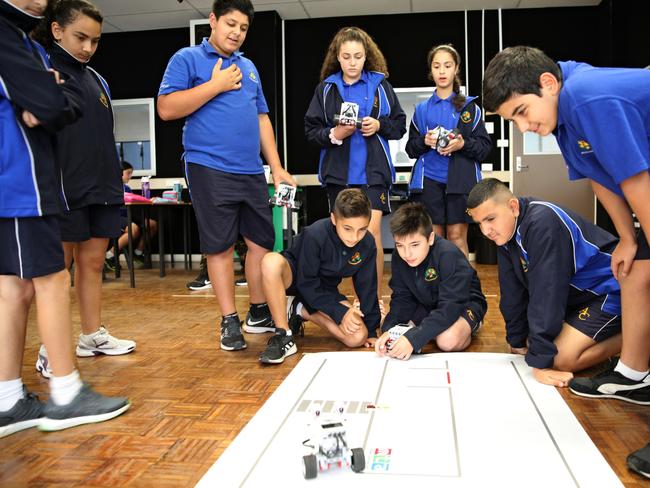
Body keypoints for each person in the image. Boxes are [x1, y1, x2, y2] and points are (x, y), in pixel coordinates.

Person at [482, 47, 650, 476]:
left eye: (522, 112)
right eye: (512, 121)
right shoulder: (563, 110)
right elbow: (601, 177)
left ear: (547, 85)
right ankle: (634, 374)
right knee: (635, 272)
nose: (524, 127)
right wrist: (628, 239)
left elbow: (635, 177)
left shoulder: (586, 97)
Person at [0, 0, 128, 438]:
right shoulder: (8, 36)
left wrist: (49, 99)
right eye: (81, 38)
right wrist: (47, 96)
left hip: (23, 182)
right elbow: (48, 106)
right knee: (52, 278)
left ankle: (9, 398)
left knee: (13, 289)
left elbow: (52, 105)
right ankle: (66, 392)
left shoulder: (22, 39)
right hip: (22, 182)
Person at [158, 0, 296, 351]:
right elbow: (166, 108)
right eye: (230, 24)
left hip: (251, 169)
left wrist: (277, 167)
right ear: (213, 21)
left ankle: (257, 310)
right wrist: (216, 85)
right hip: (207, 166)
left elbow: (262, 118)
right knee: (219, 246)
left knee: (261, 243)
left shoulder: (249, 68)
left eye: (244, 27)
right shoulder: (186, 59)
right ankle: (228, 321)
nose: (236, 32)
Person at [32, 0, 135, 379]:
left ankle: (91, 335)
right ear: (57, 30)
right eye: (80, 37)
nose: (88, 47)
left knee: (92, 263)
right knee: (57, 272)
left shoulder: (98, 80)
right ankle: (49, 348)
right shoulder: (41, 68)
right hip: (62, 187)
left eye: (95, 40)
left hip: (102, 185)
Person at [467, 178, 622, 386]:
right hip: (581, 297)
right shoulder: (506, 233)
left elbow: (547, 293)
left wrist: (541, 365)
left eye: (490, 219)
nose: (486, 231)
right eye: (480, 223)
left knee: (561, 359)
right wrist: (517, 341)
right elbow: (512, 292)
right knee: (534, 343)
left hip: (611, 290)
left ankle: (640, 336)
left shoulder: (543, 223)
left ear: (513, 207)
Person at [304, 26, 406, 297]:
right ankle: (333, 298)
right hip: (338, 177)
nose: (352, 62)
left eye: (357, 56)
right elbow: (311, 132)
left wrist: (379, 125)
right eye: (346, 56)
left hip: (374, 176)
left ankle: (371, 299)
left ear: (366, 56)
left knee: (370, 235)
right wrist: (334, 134)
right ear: (337, 57)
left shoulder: (380, 85)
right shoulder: (326, 90)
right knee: (342, 237)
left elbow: (399, 126)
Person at [259, 189, 380, 364]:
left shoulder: (367, 243)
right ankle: (283, 334)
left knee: (357, 337)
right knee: (270, 262)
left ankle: (299, 309)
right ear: (334, 219)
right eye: (347, 228)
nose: (354, 237)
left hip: (322, 291)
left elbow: (367, 287)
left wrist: (371, 331)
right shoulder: (315, 234)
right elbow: (306, 283)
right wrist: (340, 312)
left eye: (362, 229)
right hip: (296, 279)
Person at [406, 44, 492, 258]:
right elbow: (410, 149)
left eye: (447, 65)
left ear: (456, 69)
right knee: (435, 237)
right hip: (430, 182)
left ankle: (461, 289)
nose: (442, 71)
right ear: (431, 71)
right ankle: (437, 289)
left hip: (460, 182)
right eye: (437, 66)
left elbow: (484, 148)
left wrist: (462, 144)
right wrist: (425, 141)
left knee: (456, 237)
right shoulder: (422, 110)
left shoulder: (470, 108)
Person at [374, 202, 487, 360]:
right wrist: (389, 330)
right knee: (389, 325)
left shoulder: (448, 255)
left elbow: (450, 306)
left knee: (447, 340)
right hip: (426, 303)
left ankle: (468, 326)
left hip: (462, 304)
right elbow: (401, 298)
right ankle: (430, 328)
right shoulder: (399, 257)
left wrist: (414, 338)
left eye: (415, 244)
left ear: (431, 238)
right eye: (400, 245)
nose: (407, 253)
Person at [106, 161, 158, 270]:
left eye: (131, 173)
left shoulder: (127, 188)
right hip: (115, 217)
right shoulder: (110, 187)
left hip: (128, 215)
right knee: (133, 229)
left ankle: (138, 252)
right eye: (128, 173)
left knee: (152, 224)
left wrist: (147, 201)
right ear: (119, 172)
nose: (130, 176)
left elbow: (132, 199)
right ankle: (109, 256)